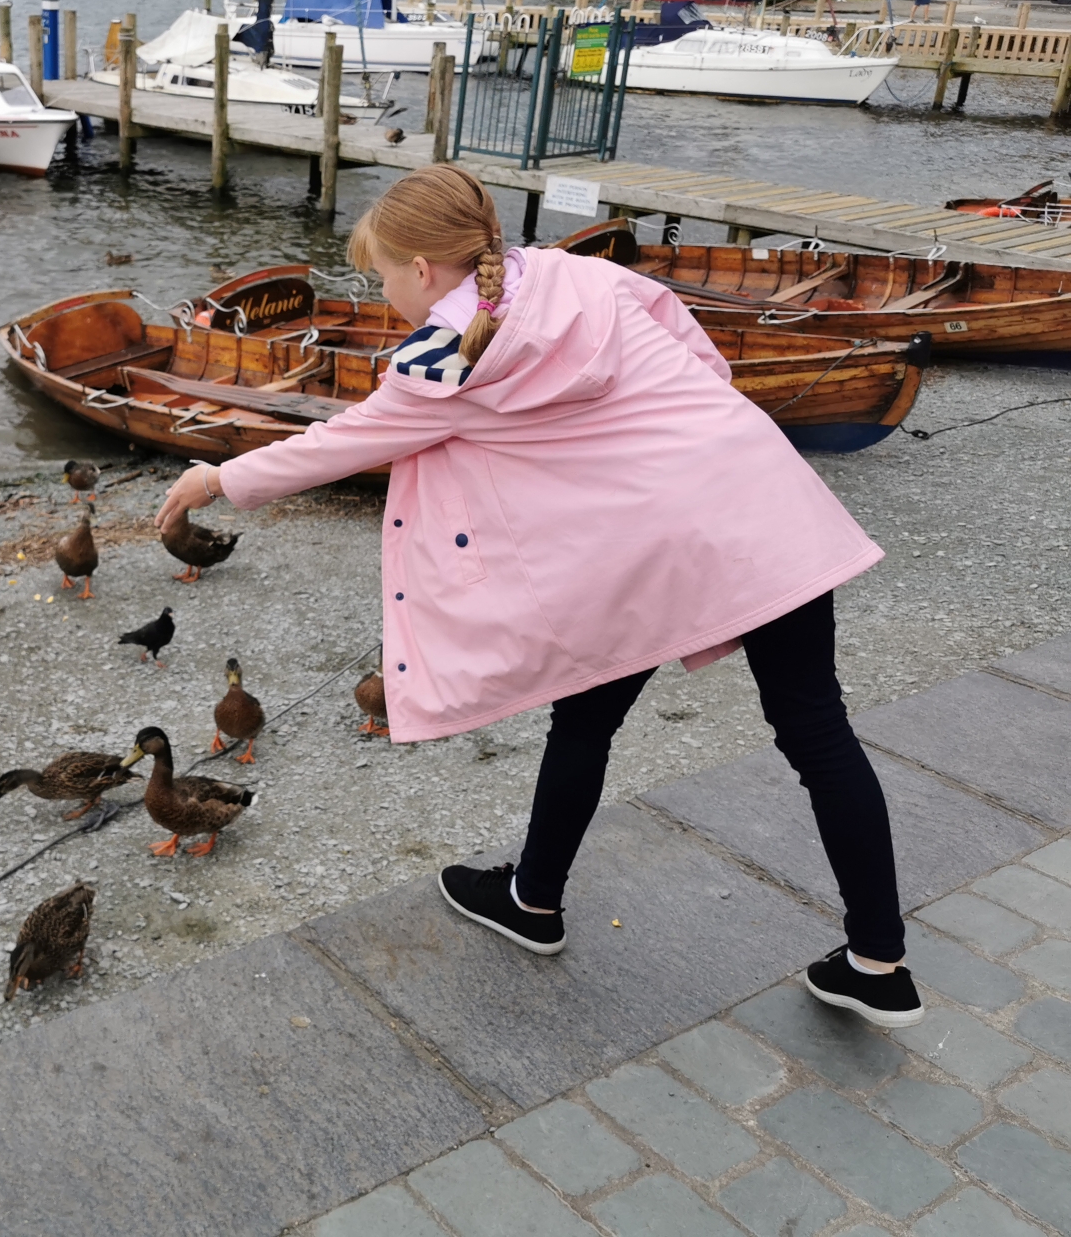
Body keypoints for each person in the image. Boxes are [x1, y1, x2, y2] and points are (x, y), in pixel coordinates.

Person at [155, 165, 923, 1029]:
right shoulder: (583, 274)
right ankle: (878, 960)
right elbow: (695, 354)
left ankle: (534, 900)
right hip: (760, 498)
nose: (385, 295)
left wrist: (217, 476)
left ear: (421, 269)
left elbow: (343, 441)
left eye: (381, 278)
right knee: (819, 733)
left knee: (587, 721)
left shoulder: (444, 356)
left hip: (648, 551)